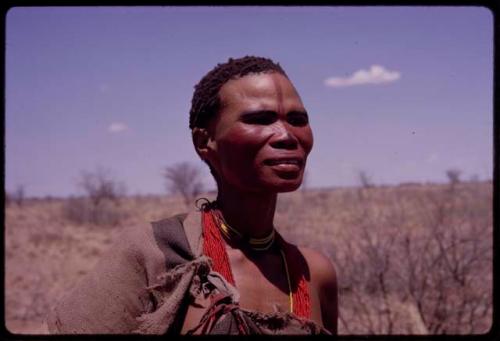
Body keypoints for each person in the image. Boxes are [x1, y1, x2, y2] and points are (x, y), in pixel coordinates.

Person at [46, 56, 338, 335]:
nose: (287, 135)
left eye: (298, 119)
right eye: (260, 119)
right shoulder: (156, 255)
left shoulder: (313, 272)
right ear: (204, 141)